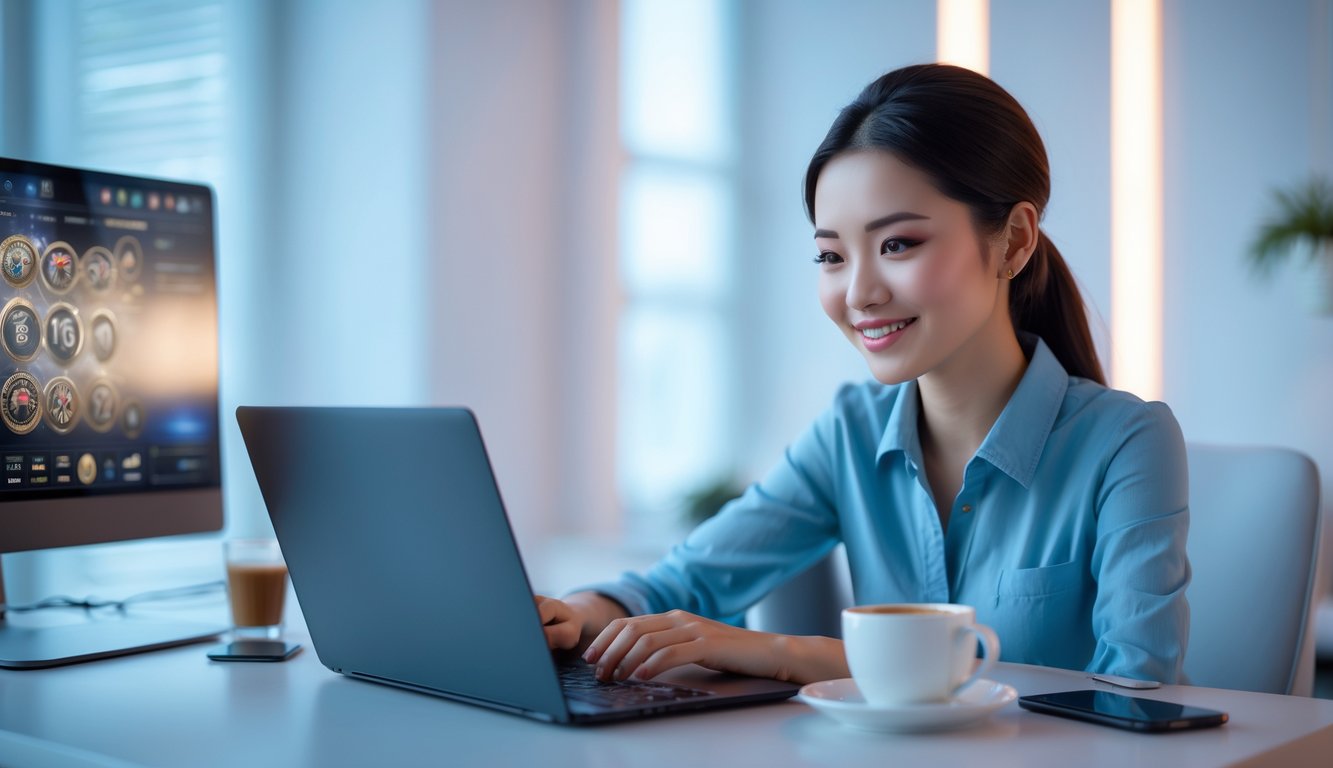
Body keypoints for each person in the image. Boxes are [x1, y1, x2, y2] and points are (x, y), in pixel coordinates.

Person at [535, 63, 1189, 687]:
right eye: (830, 255)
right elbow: (684, 583)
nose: (859, 293)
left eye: (897, 244)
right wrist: (579, 614)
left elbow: (1132, 693)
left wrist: (797, 655)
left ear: (1013, 242)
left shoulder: (1126, 442)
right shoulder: (850, 431)